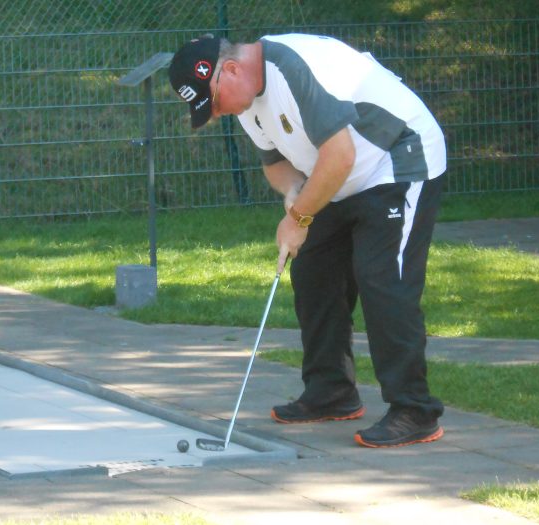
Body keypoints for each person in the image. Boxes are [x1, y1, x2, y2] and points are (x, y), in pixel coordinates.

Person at [168, 33, 446, 448]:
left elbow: (341, 154)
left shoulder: (292, 70)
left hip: (397, 159)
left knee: (382, 280)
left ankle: (414, 410)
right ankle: (331, 392)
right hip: (336, 177)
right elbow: (276, 164)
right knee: (313, 271)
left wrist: (299, 218)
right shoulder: (245, 101)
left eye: (214, 101)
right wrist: (295, 195)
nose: (217, 113)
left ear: (229, 70)